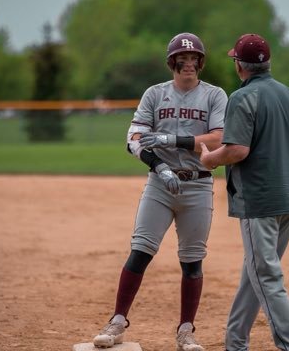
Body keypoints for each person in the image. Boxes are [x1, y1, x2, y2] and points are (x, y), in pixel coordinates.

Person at [93, 32, 228, 350]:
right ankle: (117, 322)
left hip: (198, 183)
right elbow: (133, 138)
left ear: (201, 63)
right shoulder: (154, 94)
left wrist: (173, 140)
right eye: (182, 60)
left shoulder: (214, 96)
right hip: (160, 184)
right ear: (172, 63)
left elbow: (220, 138)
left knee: (192, 261)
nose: (188, 64)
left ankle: (186, 330)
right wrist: (160, 167)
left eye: (194, 59)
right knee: (140, 251)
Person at [200, 33, 289, 351]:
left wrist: (209, 159)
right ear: (268, 63)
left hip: (259, 200)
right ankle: (235, 342)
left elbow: (236, 150)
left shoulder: (242, 97)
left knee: (266, 275)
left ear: (239, 65)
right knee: (257, 270)